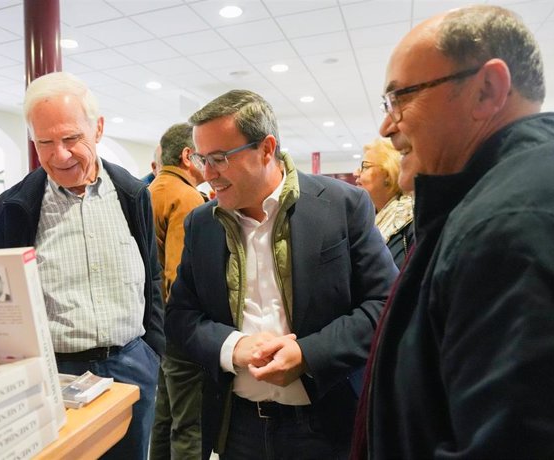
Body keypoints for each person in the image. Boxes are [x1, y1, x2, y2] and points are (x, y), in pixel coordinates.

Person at [352, 5, 554, 458]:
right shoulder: (499, 198)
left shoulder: (508, 224)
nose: (387, 126)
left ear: (486, 90)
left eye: (400, 98)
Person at [165, 89, 398, 459]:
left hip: (326, 424)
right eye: (201, 158)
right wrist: (233, 347)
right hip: (236, 427)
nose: (207, 175)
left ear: (266, 148)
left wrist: (307, 353)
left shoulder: (341, 205)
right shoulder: (201, 223)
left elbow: (386, 305)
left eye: (220, 158)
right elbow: (180, 317)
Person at [0, 71, 164, 460]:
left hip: (131, 365)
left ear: (97, 129)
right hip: (53, 375)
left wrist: (154, 352)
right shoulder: (13, 209)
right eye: (45, 142)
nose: (59, 155)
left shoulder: (133, 195)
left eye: (71, 139)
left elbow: (153, 275)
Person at [148, 122, 207, 460]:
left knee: (164, 416)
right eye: (205, 156)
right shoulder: (186, 197)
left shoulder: (151, 190)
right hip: (179, 330)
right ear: (188, 156)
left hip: (155, 327)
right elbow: (178, 276)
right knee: (190, 425)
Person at [354, 138, 414, 268]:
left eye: (364, 167)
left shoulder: (410, 219)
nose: (356, 173)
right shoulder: (366, 218)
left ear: (388, 173)